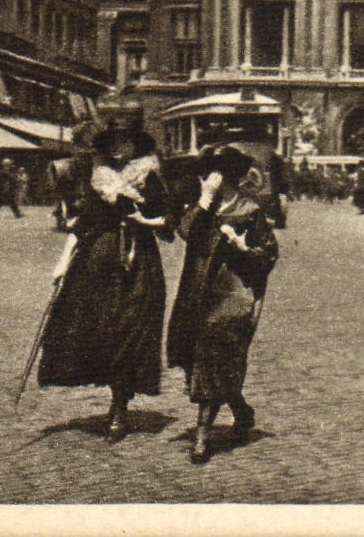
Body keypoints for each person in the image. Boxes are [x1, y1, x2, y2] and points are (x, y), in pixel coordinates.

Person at [36, 105, 172, 442]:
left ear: (136, 145)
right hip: (97, 262)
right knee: (102, 329)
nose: (117, 148)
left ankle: (120, 406)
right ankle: (115, 397)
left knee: (130, 329)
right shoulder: (98, 178)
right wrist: (63, 263)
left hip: (138, 263)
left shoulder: (150, 177)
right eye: (112, 142)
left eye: (124, 141)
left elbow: (169, 225)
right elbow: (83, 225)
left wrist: (144, 220)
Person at [167, 141, 279, 464]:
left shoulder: (249, 210)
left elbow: (269, 254)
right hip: (196, 292)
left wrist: (242, 248)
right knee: (204, 363)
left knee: (212, 357)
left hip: (232, 294)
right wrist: (204, 199)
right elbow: (184, 231)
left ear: (225, 175)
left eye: (211, 174)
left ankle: (202, 435)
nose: (205, 179)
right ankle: (240, 410)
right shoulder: (204, 208)